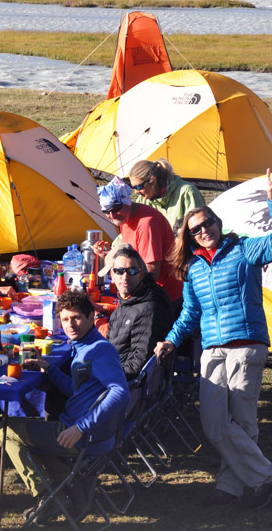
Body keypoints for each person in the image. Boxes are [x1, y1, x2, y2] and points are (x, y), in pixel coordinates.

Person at [154, 168, 272, 509]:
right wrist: (171, 339)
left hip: (247, 345)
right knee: (214, 422)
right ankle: (267, 476)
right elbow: (190, 314)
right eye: (196, 229)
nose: (204, 231)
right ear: (189, 237)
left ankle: (230, 488)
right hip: (212, 349)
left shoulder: (244, 250)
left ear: (218, 222)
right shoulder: (194, 270)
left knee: (243, 421)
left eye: (208, 223)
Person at [1, 290, 129, 524]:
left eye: (76, 318)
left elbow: (120, 392)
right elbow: (79, 391)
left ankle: (47, 495)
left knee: (5, 430)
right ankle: (72, 487)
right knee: (33, 442)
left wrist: (81, 427)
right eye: (65, 319)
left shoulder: (98, 351)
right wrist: (49, 369)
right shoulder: (83, 346)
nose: (70, 325)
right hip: (93, 435)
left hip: (82, 436)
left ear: (92, 317)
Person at [95, 176, 183, 312]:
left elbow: (152, 272)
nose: (112, 216)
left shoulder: (147, 224)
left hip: (163, 297)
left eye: (116, 208)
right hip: (147, 294)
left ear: (127, 202)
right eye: (106, 211)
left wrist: (129, 303)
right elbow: (134, 256)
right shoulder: (124, 218)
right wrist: (110, 257)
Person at [98, 244, 173, 380]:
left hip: (123, 387)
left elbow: (137, 366)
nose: (125, 277)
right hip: (113, 371)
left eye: (132, 271)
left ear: (141, 274)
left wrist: (101, 376)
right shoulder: (129, 300)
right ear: (111, 274)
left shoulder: (149, 309)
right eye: (119, 271)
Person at [128, 158, 205, 233]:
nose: (136, 192)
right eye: (133, 187)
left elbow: (199, 229)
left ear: (153, 180)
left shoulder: (187, 192)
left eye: (139, 187)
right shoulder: (142, 201)